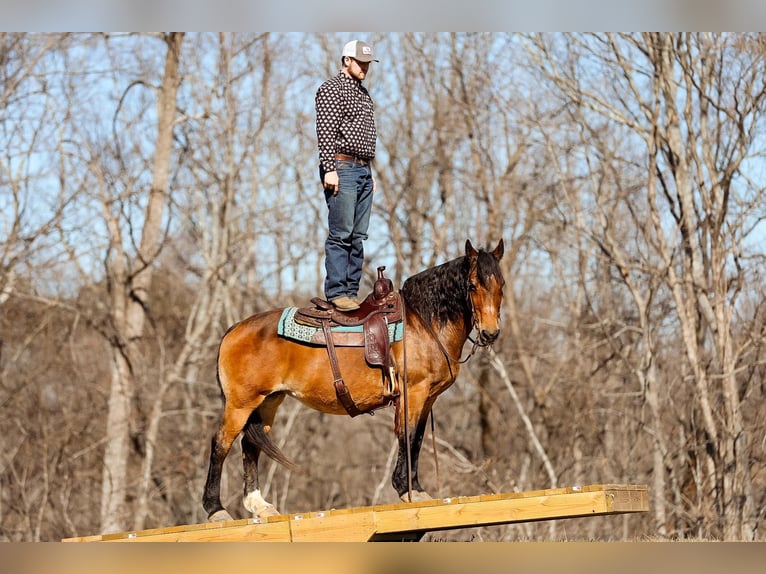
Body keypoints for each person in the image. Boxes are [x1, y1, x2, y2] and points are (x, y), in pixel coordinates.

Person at [315, 40, 379, 311]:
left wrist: (370, 172)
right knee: (341, 233)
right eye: (360, 61)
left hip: (363, 169)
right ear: (346, 60)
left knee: (358, 235)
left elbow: (365, 136)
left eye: (368, 63)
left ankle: (351, 291)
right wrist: (329, 168)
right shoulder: (332, 89)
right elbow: (326, 131)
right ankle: (337, 291)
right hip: (342, 167)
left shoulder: (364, 94)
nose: (365, 67)